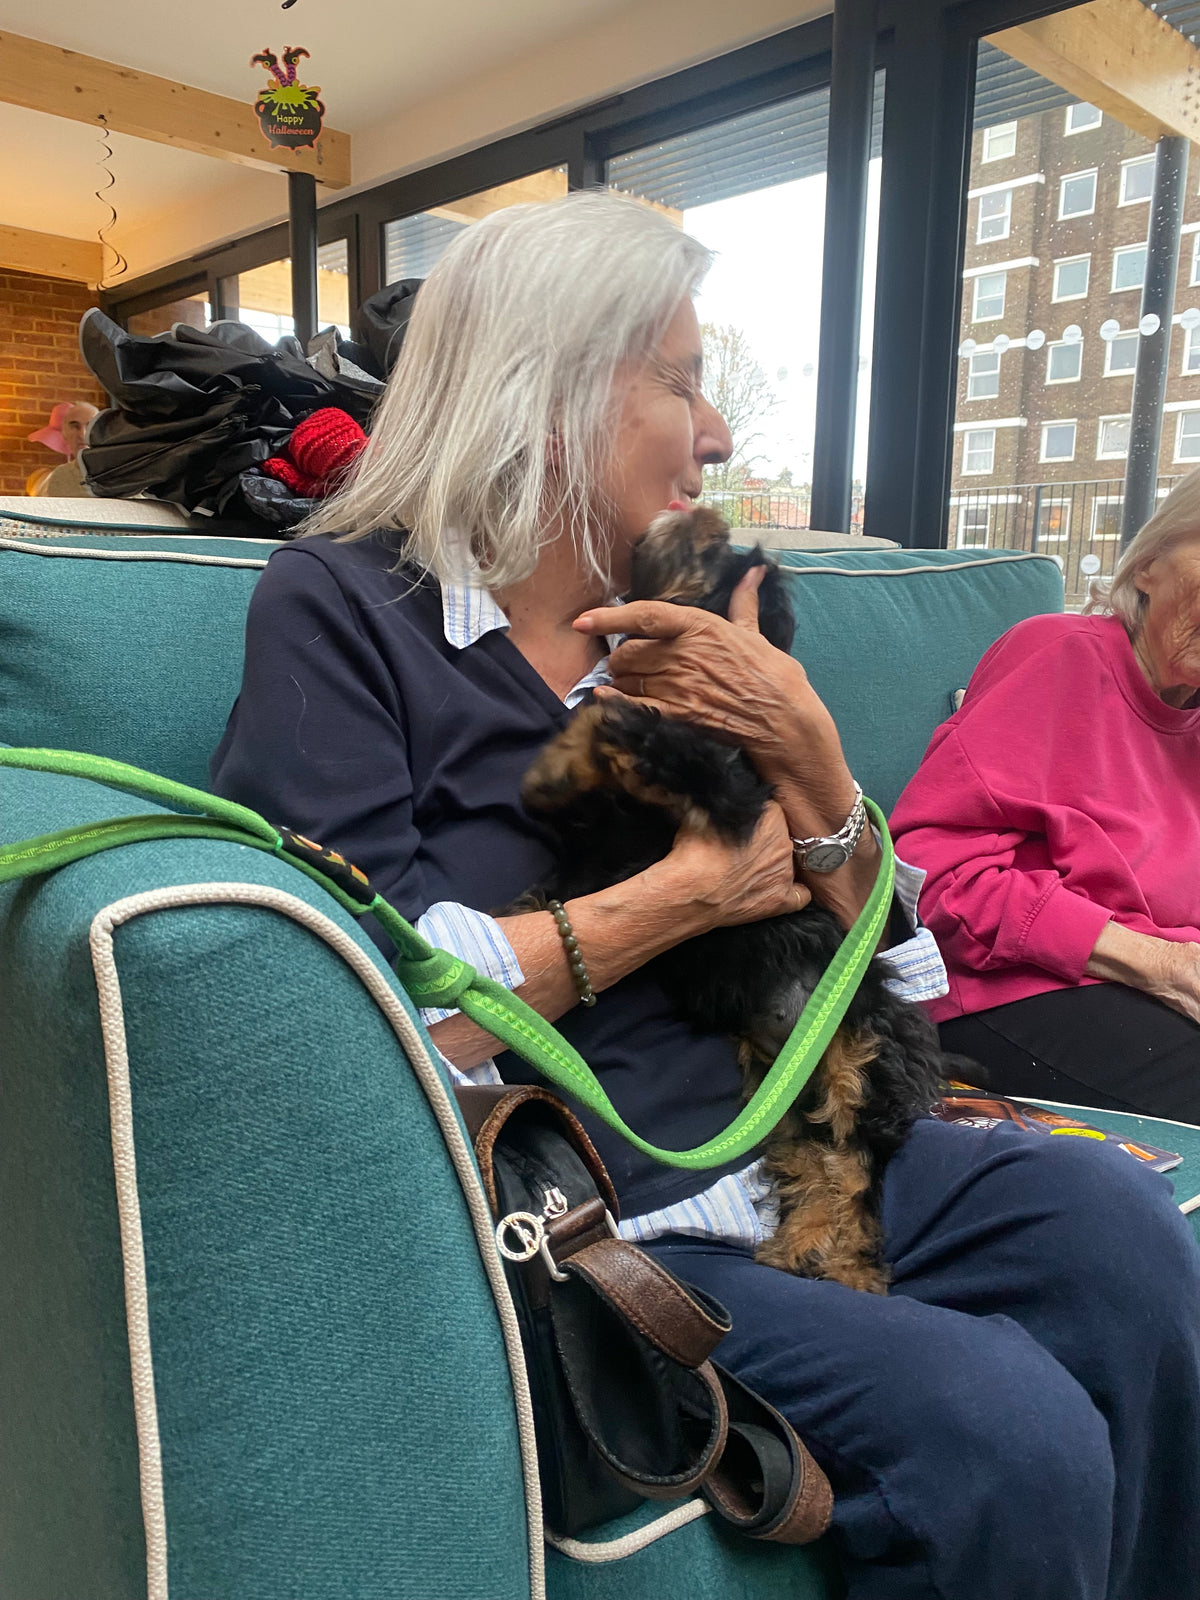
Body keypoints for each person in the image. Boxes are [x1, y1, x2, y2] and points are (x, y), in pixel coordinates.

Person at [210, 192, 1200, 1600]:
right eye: (681, 381)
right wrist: (682, 897)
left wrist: (813, 761)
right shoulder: (344, 610)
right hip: (596, 1216)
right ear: (546, 389)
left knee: (1124, 1233)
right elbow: (362, 1026)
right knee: (1005, 1428)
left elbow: (898, 975)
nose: (721, 436)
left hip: (795, 1143)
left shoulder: (702, 619)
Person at [890, 474, 1200, 1123]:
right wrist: (1158, 963)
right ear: (1149, 564)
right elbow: (931, 879)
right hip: (1006, 991)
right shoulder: (1059, 655)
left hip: (1151, 995)